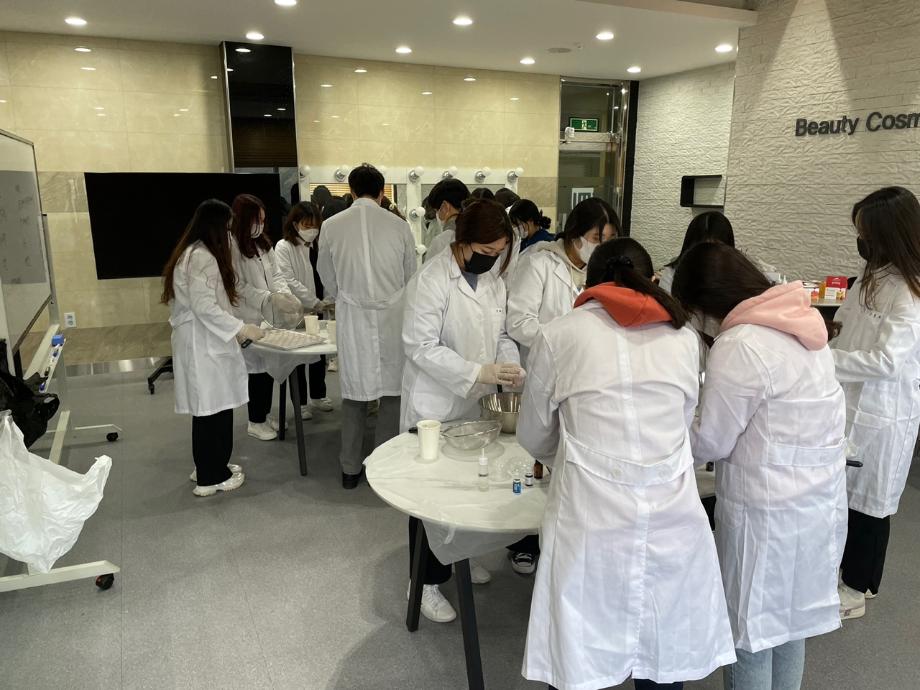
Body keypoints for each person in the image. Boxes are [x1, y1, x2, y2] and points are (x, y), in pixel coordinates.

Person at [519, 237, 735, 690]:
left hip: (589, 520)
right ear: (651, 280)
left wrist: (577, 459)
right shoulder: (684, 338)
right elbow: (681, 422)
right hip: (671, 517)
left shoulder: (559, 335)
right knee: (661, 647)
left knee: (583, 653)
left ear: (588, 283)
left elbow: (535, 434)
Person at [673, 242, 848, 690]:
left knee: (749, 634)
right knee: (790, 627)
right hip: (816, 507)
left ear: (704, 303)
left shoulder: (741, 344)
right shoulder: (804, 326)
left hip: (766, 517)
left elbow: (711, 440)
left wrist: (667, 435)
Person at [401, 199, 527, 622]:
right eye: (486, 251)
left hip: (472, 403)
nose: (492, 260)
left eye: (499, 253)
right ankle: (424, 582)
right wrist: (477, 371)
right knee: (430, 495)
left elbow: (503, 333)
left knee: (466, 486)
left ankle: (459, 555)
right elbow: (420, 346)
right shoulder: (431, 280)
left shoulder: (492, 281)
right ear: (463, 241)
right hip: (434, 405)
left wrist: (507, 365)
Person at [832, 186, 920, 620]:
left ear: (889, 235)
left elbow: (887, 361)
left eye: (866, 233)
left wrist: (826, 361)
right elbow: (845, 326)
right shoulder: (870, 276)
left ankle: (857, 589)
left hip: (884, 411)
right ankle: (846, 576)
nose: (861, 241)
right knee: (846, 497)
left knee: (870, 504)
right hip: (850, 400)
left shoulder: (909, 290)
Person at [317, 164, 417, 489]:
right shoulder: (399, 226)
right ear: (382, 191)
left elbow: (326, 275)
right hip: (393, 317)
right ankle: (384, 469)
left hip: (354, 317)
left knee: (354, 395)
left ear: (350, 190)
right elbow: (410, 276)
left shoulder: (331, 226)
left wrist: (344, 295)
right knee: (391, 395)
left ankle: (349, 469)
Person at [161, 199, 263, 496]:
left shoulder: (192, 253)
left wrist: (235, 326)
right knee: (212, 410)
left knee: (209, 409)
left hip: (203, 342)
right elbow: (205, 306)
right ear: (215, 228)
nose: (230, 235)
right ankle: (211, 477)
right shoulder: (202, 257)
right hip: (203, 344)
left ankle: (208, 465)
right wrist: (240, 328)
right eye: (228, 228)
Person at [507, 197, 619, 363]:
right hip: (545, 365)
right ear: (574, 234)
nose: (604, 246)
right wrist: (567, 340)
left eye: (611, 239)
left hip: (588, 364)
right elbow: (519, 323)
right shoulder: (538, 264)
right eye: (597, 238)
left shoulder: (604, 271)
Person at [229, 194, 298, 441]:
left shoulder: (263, 244)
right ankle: (255, 420)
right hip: (248, 316)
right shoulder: (233, 246)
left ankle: (265, 414)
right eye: (256, 219)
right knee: (255, 370)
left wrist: (284, 296)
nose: (261, 224)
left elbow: (276, 275)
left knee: (267, 368)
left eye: (263, 219)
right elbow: (238, 285)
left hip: (269, 316)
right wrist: (268, 298)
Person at [275, 201, 334, 420]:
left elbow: (327, 274)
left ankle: (318, 395)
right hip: (296, 309)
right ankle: (299, 402)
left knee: (319, 353)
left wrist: (326, 300)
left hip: (320, 305)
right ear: (295, 224)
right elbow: (288, 280)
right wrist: (313, 301)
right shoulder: (284, 247)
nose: (312, 230)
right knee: (298, 357)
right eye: (307, 225)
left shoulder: (318, 246)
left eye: (315, 225)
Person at [423, 178, 470, 262]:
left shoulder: (442, 241)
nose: (436, 215)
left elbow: (430, 269)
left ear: (445, 207)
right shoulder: (480, 233)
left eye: (436, 211)